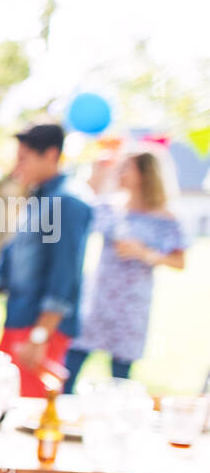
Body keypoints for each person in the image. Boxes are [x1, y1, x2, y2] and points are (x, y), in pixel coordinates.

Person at [0, 123, 93, 396]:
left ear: (51, 155)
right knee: (3, 399)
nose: (18, 168)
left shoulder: (68, 202)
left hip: (40, 330)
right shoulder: (38, 197)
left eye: (24, 159)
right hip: (19, 318)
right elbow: (13, 251)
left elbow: (65, 276)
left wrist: (40, 336)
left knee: (28, 413)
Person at [63, 148, 189, 393]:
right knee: (73, 361)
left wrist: (145, 253)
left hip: (132, 304)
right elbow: (80, 210)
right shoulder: (110, 207)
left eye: (126, 168)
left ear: (144, 174)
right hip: (99, 298)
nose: (120, 174)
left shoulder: (166, 217)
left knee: (120, 376)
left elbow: (179, 261)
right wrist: (98, 173)